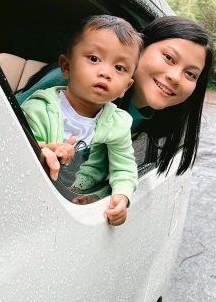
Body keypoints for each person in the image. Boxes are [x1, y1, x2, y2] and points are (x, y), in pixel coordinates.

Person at [17, 15, 214, 195]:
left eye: (191, 74)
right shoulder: (71, 84)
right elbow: (8, 117)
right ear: (140, 50)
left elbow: (121, 166)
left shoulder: (150, 121)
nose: (175, 77)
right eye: (168, 58)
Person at [21, 15, 143, 226]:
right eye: (94, 59)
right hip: (41, 202)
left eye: (120, 68)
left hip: (84, 207)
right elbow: (22, 153)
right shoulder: (39, 109)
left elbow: (123, 165)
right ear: (66, 67)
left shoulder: (117, 123)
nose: (106, 73)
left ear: (126, 87)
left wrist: (122, 196)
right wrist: (46, 150)